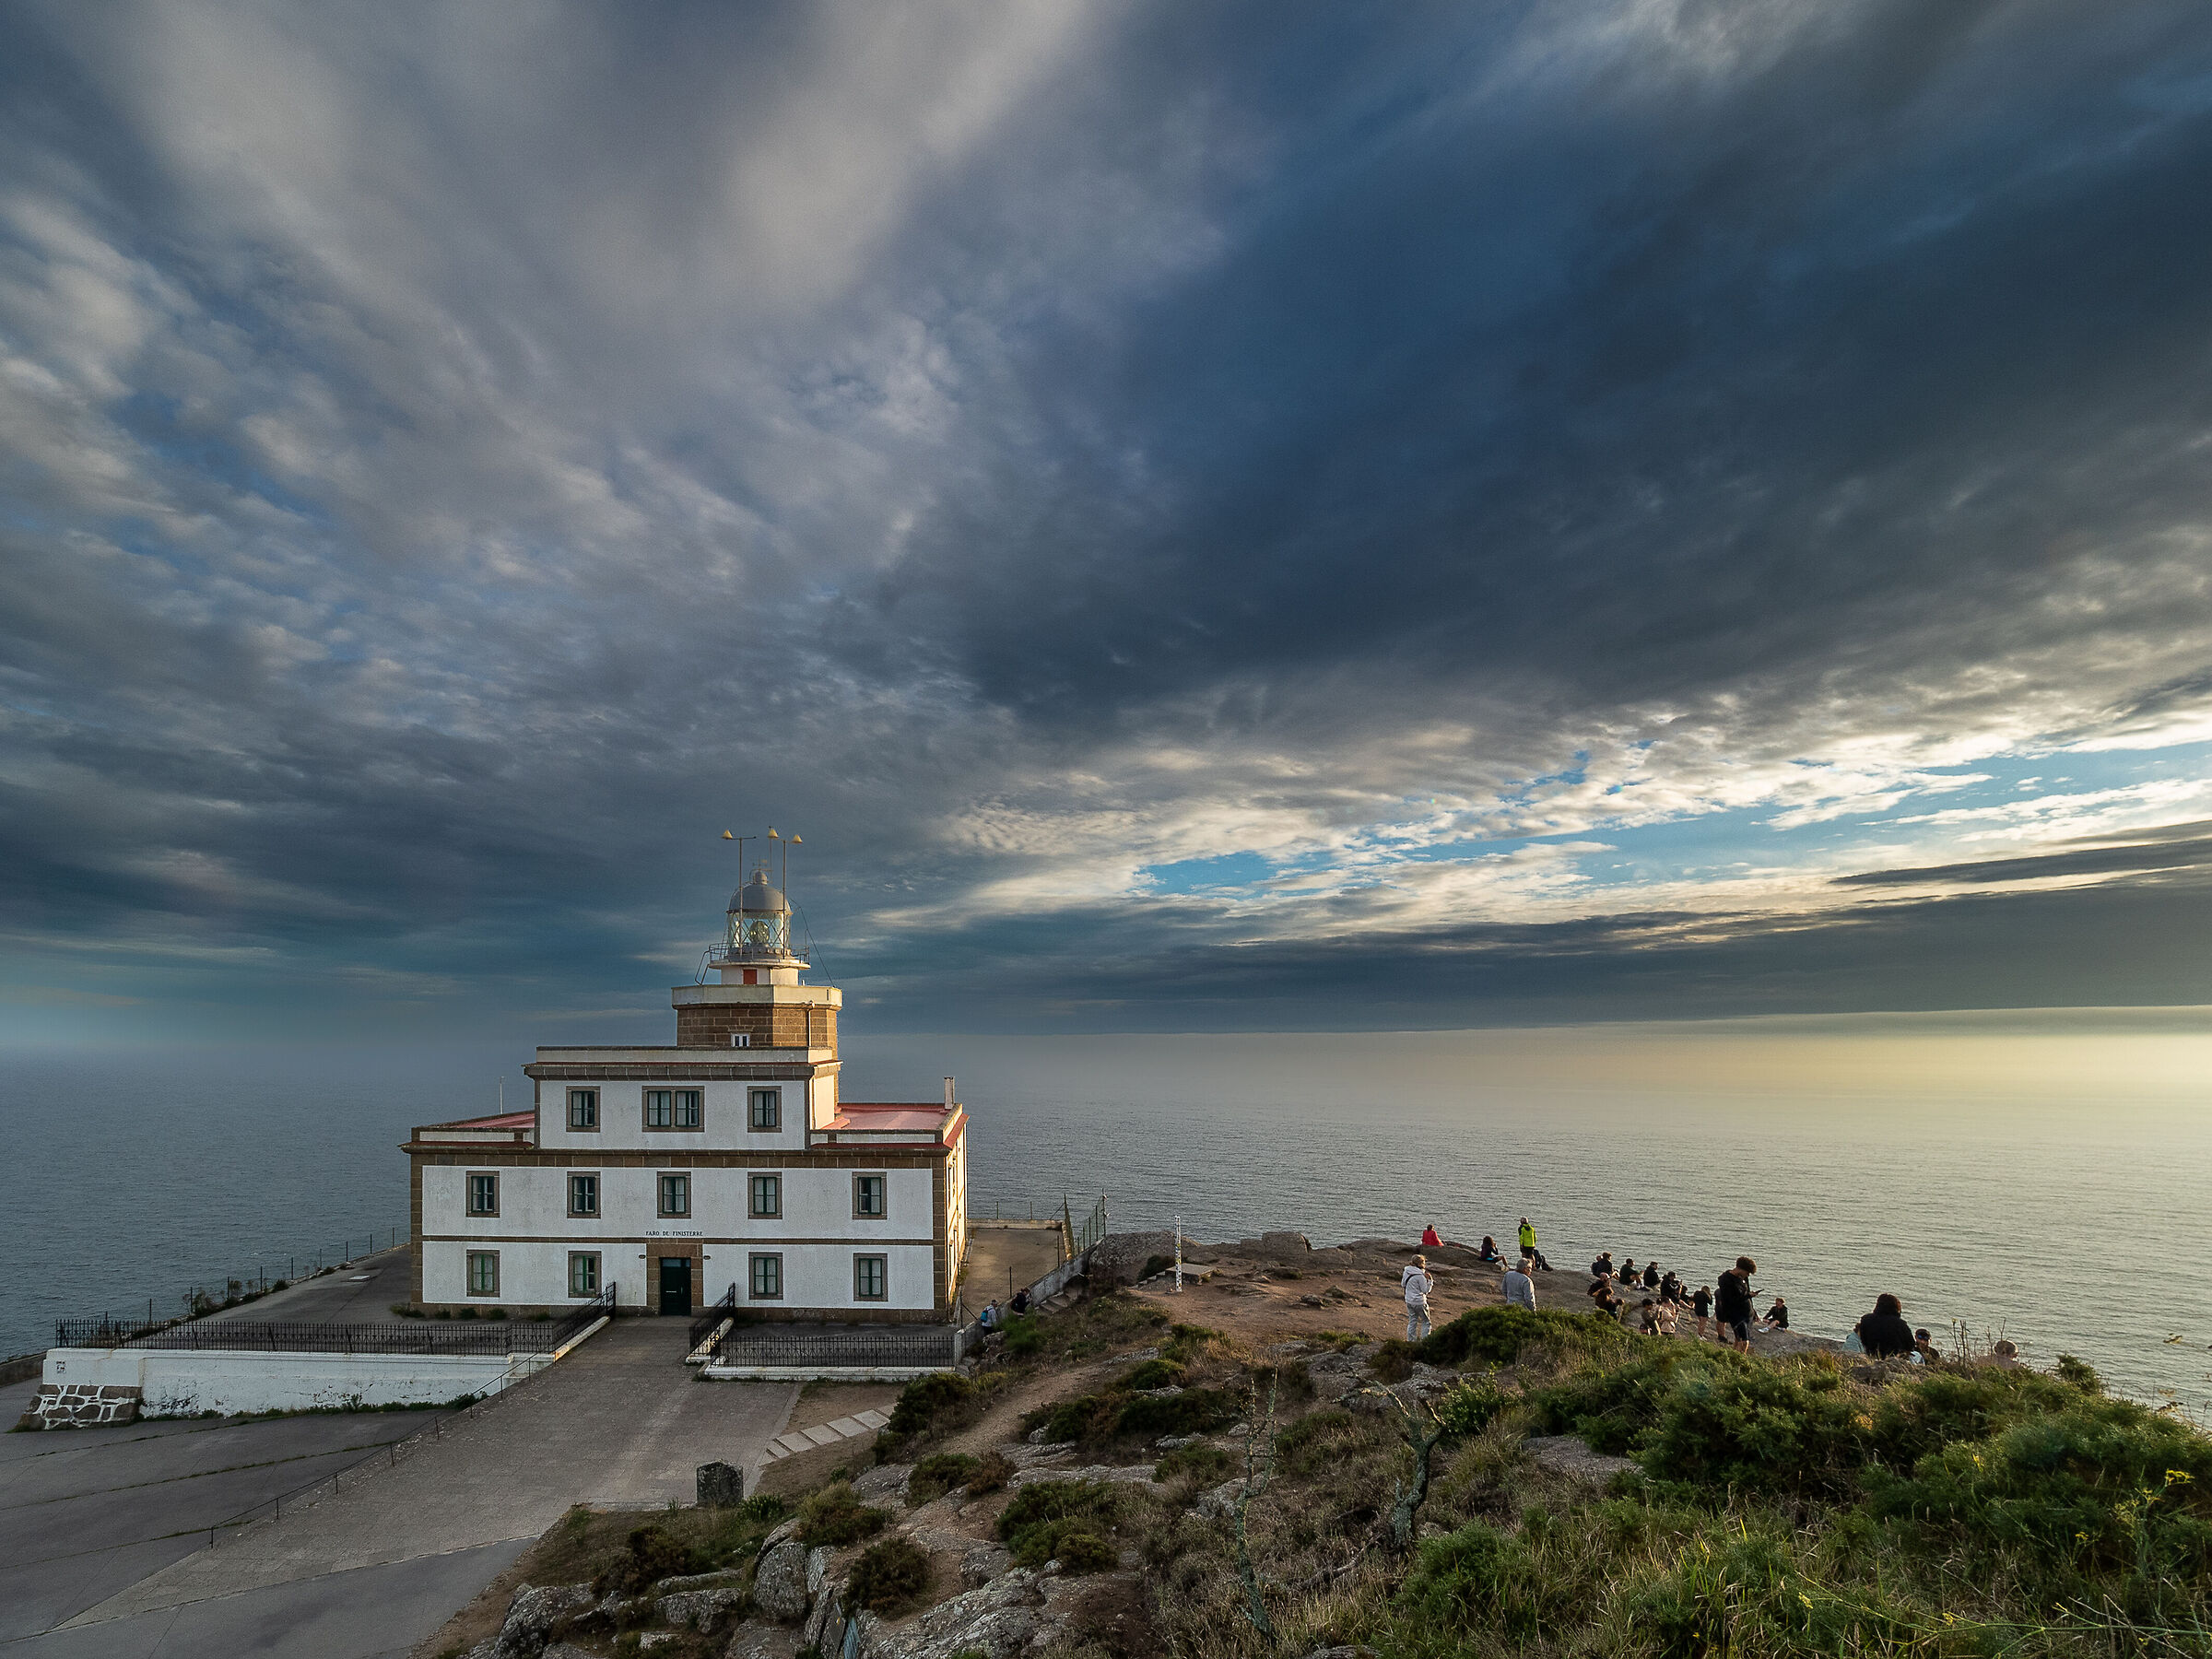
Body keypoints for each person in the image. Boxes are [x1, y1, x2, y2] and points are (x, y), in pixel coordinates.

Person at [1853, 1293, 1916, 1359]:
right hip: (1893, 1359)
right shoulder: (1900, 1324)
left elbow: (1864, 1340)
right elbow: (1910, 1345)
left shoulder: (1866, 1320)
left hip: (1872, 1356)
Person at [1714, 1257, 1757, 1353]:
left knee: (1738, 1339)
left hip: (1747, 1312)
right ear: (1740, 1269)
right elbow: (1730, 1300)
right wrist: (1747, 1296)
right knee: (1744, 1341)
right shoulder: (1726, 1280)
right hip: (1735, 1314)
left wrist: (1753, 1309)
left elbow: (1747, 1293)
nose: (1748, 1275)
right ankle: (1740, 1362)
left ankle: (1732, 1358)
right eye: (1747, 1272)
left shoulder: (1743, 1278)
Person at [1402, 1254, 1435, 1340]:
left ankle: (1411, 1341)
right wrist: (1430, 1281)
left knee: (1412, 1321)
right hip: (1419, 1301)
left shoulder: (1406, 1271)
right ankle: (1425, 1341)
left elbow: (1403, 1284)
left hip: (1409, 1300)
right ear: (1421, 1264)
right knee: (1426, 1322)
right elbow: (1425, 1291)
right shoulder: (1421, 1275)